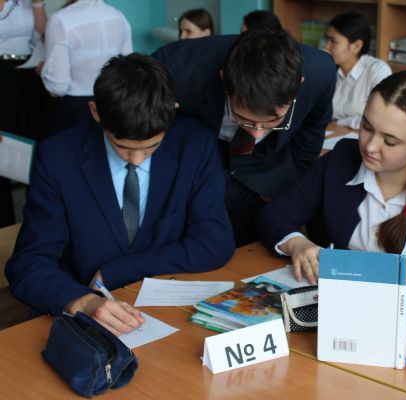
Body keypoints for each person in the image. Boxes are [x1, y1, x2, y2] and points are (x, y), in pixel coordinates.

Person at [6, 53, 235, 335]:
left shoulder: (195, 145)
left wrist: (120, 269)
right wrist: (83, 301)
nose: (136, 160)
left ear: (172, 110)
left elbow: (214, 243)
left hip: (167, 316)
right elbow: (28, 264)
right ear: (95, 112)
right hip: (83, 324)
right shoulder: (57, 158)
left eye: (151, 147)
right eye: (123, 147)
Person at [258, 71, 406, 284]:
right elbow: (275, 215)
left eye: (389, 141)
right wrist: (297, 244)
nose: (370, 146)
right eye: (367, 127)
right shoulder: (341, 159)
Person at [153, 28, 336, 247]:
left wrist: (291, 187)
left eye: (272, 120)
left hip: (261, 167)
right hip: (199, 158)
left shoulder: (321, 74)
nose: (257, 133)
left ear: (299, 85)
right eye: (244, 118)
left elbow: (311, 131)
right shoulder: (173, 72)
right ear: (224, 80)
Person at [41, 0, 132, 134]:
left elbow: (58, 86)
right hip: (113, 104)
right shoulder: (119, 16)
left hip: (74, 110)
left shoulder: (61, 20)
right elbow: (129, 70)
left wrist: (43, 71)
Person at [0, 0, 50, 228]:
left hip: (28, 76)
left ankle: (39, 224)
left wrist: (38, 4)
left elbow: (45, 35)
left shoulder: (25, 4)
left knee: (36, 151)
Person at [324, 11, 391, 130]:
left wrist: (340, 123)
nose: (327, 47)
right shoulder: (327, 68)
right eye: (327, 40)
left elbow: (382, 117)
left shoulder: (377, 70)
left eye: (333, 41)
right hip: (331, 133)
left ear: (357, 46)